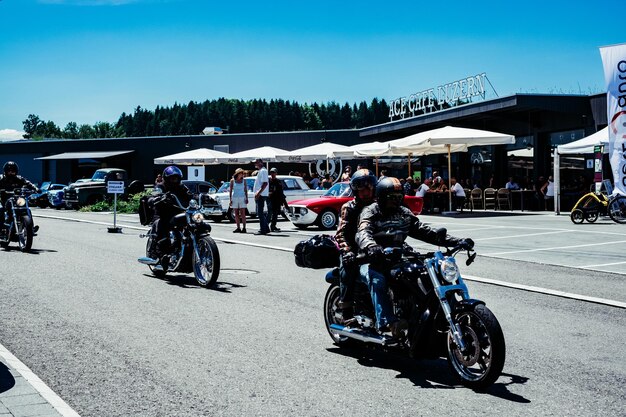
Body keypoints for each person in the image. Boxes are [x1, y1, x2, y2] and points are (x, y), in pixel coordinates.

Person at [355, 177, 473, 338]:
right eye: (392, 198)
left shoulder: (403, 213)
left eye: (398, 197)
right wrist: (371, 246)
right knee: (377, 278)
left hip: (397, 256)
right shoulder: (370, 211)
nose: (396, 201)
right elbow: (363, 232)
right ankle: (388, 323)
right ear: (381, 197)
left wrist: (457, 241)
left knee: (423, 273)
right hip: (371, 259)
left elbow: (424, 230)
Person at [334, 169, 377, 321]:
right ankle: (346, 313)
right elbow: (341, 233)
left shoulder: (379, 206)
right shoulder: (349, 207)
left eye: (369, 187)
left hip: (373, 248)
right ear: (355, 189)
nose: (365, 191)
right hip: (353, 250)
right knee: (348, 271)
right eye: (361, 188)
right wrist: (347, 251)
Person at [148, 166, 192, 261]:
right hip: (162, 213)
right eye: (172, 178)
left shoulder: (182, 187)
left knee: (192, 224)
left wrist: (199, 198)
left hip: (178, 213)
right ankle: (161, 253)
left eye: (176, 178)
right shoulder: (161, 186)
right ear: (167, 178)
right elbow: (153, 196)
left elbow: (190, 195)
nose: (174, 180)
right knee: (162, 227)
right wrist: (155, 199)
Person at [0, 161, 40, 236]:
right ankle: (1, 228)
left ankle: (30, 228)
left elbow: (28, 183)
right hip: (4, 200)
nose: (11, 173)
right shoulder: (1, 178)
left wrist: (36, 189)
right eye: (9, 171)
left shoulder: (19, 178)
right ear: (5, 171)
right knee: (1, 209)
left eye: (13, 171)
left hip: (16, 200)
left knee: (26, 210)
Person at [253, 158, 270, 235]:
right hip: (261, 194)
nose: (255, 164)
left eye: (256, 162)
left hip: (261, 195)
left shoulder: (263, 171)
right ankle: (266, 228)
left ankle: (262, 229)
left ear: (260, 163)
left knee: (260, 212)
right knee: (260, 212)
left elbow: (265, 183)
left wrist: (258, 193)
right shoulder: (261, 171)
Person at [268, 167, 288, 232]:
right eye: (271, 172)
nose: (272, 174)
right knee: (270, 213)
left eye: (273, 172)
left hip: (276, 199)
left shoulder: (278, 181)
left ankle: (273, 226)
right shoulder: (268, 181)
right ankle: (266, 225)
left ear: (276, 173)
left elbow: (281, 192)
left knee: (275, 214)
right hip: (270, 199)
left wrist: (285, 203)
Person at [229, 168, 248, 233]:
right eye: (241, 173)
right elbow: (231, 191)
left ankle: (244, 228)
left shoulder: (244, 181)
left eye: (242, 173)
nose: (242, 175)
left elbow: (245, 190)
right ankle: (238, 227)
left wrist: (247, 198)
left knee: (243, 213)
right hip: (235, 197)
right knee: (236, 213)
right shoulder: (232, 181)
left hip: (242, 197)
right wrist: (230, 199)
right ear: (237, 174)